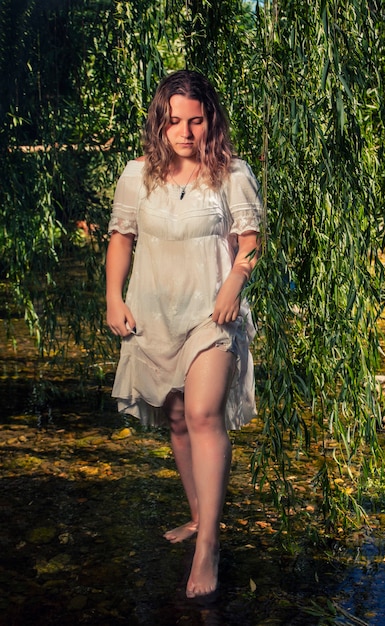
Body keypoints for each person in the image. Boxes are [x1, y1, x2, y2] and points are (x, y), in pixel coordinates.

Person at [106, 69, 262, 599]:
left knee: (202, 415)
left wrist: (234, 284)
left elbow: (250, 241)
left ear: (210, 121)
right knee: (175, 419)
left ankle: (208, 546)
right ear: (160, 121)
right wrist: (113, 296)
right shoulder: (136, 175)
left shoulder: (231, 174)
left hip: (211, 315)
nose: (185, 132)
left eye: (195, 121)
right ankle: (199, 516)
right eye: (174, 121)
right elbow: (121, 238)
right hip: (153, 312)